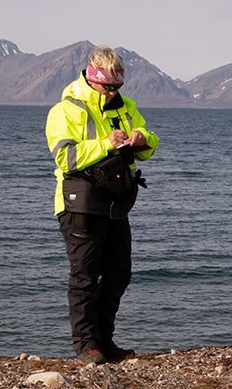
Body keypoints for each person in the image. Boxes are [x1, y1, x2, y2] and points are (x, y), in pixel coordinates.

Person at [45, 45, 159, 365]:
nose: (112, 92)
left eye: (118, 86)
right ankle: (86, 345)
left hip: (116, 204)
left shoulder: (126, 106)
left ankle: (105, 341)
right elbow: (66, 158)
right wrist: (106, 144)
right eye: (108, 86)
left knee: (118, 273)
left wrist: (142, 139)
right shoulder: (65, 110)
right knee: (84, 276)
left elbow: (151, 144)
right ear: (93, 78)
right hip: (79, 204)